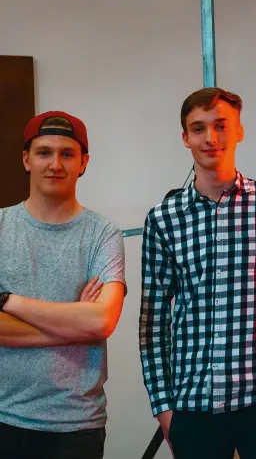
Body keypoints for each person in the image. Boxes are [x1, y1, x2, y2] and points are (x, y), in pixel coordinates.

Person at [140, 87, 256, 459]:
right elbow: (153, 320)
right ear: (185, 137)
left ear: (239, 131)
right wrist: (163, 407)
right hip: (192, 407)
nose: (211, 138)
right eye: (199, 128)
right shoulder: (163, 219)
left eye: (221, 126)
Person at [0, 111, 126, 459]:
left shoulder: (104, 234)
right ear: (26, 159)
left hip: (76, 427)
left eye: (67, 154)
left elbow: (102, 321)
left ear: (83, 162)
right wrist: (75, 322)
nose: (55, 163)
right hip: (4, 419)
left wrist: (7, 300)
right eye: (44, 152)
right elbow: (89, 323)